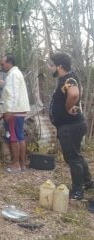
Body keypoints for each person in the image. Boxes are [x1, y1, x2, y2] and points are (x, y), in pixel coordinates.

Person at [48, 53, 93, 200]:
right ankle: (87, 181)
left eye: (52, 65)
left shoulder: (69, 79)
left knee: (72, 158)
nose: (50, 68)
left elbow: (73, 94)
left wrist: (67, 108)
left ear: (59, 66)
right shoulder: (67, 78)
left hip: (70, 126)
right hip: (73, 125)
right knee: (76, 155)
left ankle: (77, 191)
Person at [0, 54, 30, 173]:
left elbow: (12, 94)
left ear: (9, 63)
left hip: (14, 111)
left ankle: (16, 164)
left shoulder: (12, 74)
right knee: (20, 136)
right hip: (20, 110)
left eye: (3, 64)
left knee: (13, 137)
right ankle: (22, 164)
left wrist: (9, 111)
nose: (2, 66)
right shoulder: (16, 74)